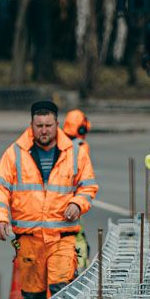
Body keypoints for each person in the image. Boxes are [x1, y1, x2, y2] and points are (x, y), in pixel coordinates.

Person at [0, 100, 98, 299]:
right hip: (29, 241)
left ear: (57, 124)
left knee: (61, 293)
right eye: (39, 126)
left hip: (62, 237)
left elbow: (88, 185)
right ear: (31, 125)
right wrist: (0, 218)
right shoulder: (15, 153)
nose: (44, 131)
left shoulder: (75, 153)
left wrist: (77, 203)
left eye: (48, 126)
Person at [62, 109, 93, 270]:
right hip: (74, 203)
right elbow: (85, 179)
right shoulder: (80, 146)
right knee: (77, 239)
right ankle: (78, 270)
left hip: (62, 201)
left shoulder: (59, 143)